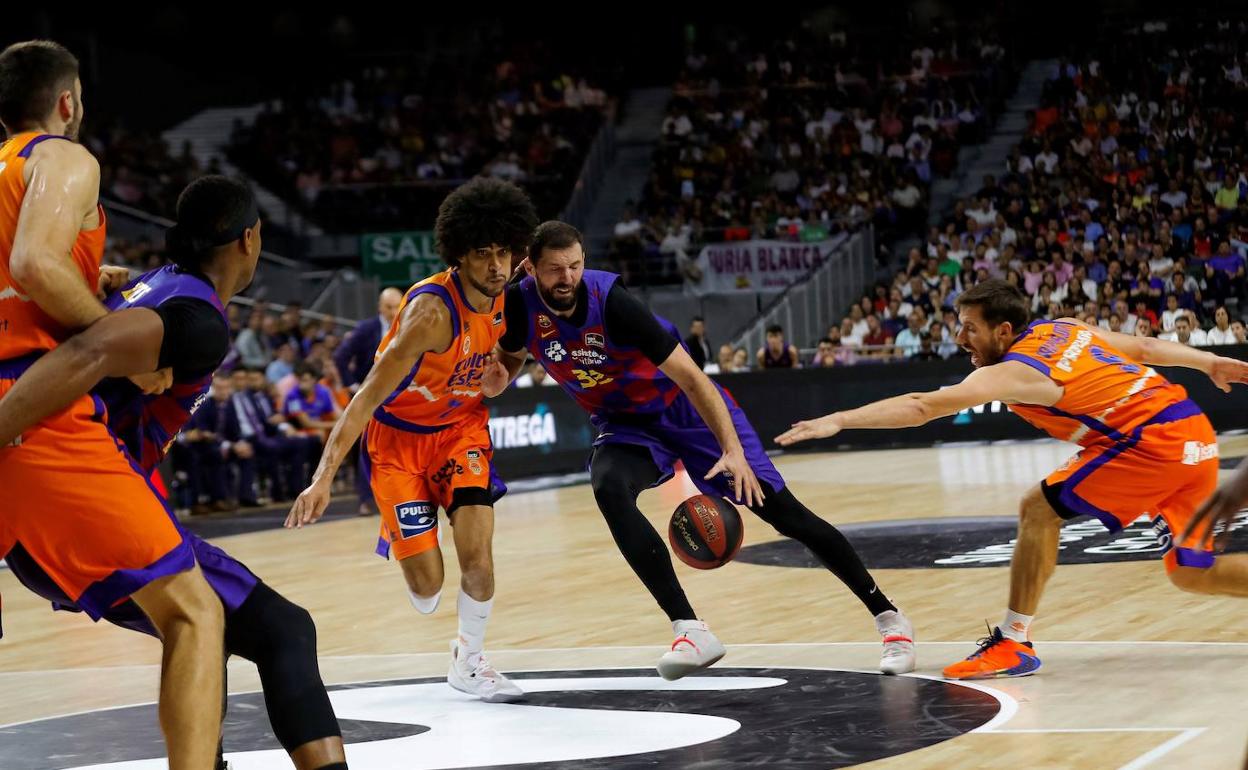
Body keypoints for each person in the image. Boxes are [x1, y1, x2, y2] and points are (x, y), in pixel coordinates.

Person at [0, 175, 347, 770]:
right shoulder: (194, 317)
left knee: (196, 629)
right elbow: (87, 353)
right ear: (249, 240)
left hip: (55, 512)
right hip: (80, 501)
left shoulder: (151, 287)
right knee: (280, 630)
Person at [490, 221, 915, 679]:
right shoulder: (518, 303)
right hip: (628, 424)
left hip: (688, 412)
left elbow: (694, 379)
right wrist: (494, 378)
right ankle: (690, 629)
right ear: (530, 267)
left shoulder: (612, 303)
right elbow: (511, 357)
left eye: (575, 265)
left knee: (786, 516)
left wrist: (731, 450)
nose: (567, 277)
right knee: (608, 485)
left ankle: (890, 620)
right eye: (555, 270)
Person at [777, 279, 1248, 680]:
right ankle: (1015, 640)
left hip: (1152, 443)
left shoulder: (1020, 369)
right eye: (958, 324)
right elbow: (1144, 348)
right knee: (1194, 571)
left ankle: (1014, 642)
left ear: (1003, 331)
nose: (960, 337)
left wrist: (841, 419)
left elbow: (923, 406)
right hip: (1192, 430)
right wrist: (1207, 362)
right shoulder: (1064, 329)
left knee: (1038, 509)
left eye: (970, 328)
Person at [0, 40, 223, 768]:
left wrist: (97, 276)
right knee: (193, 610)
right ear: (67, 103)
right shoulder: (63, 158)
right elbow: (33, 264)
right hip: (33, 412)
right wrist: (117, 339)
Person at [286, 177, 539, 703]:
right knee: (427, 590)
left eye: (504, 252)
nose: (496, 265)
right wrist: (322, 479)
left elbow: (514, 349)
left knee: (480, 559)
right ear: (459, 255)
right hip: (397, 442)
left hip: (460, 432)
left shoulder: (510, 292)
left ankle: (469, 661)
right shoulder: (429, 316)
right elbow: (362, 401)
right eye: (483, 253)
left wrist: (506, 373)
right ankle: (403, 536)